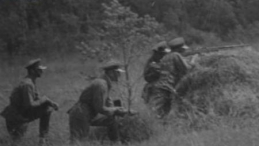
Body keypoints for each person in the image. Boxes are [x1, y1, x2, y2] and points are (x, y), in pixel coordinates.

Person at [67, 59, 134, 143]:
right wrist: (116, 110)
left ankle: (116, 143)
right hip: (80, 113)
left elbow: (109, 105)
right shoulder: (101, 85)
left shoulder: (105, 84)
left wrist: (124, 111)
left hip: (89, 113)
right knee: (78, 142)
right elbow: (100, 108)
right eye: (118, 72)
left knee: (112, 120)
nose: (119, 75)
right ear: (111, 72)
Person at [0, 58, 59, 145]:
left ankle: (43, 140)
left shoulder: (31, 82)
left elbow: (37, 99)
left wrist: (49, 101)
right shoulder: (27, 84)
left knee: (47, 108)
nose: (42, 72)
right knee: (15, 141)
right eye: (39, 70)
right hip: (16, 118)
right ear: (32, 71)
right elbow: (30, 104)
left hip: (21, 114)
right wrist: (45, 99)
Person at [143, 37, 197, 118]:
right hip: (164, 88)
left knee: (162, 114)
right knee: (154, 114)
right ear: (180, 49)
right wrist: (193, 59)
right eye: (183, 49)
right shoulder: (175, 55)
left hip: (165, 88)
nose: (184, 51)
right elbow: (187, 69)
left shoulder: (164, 57)